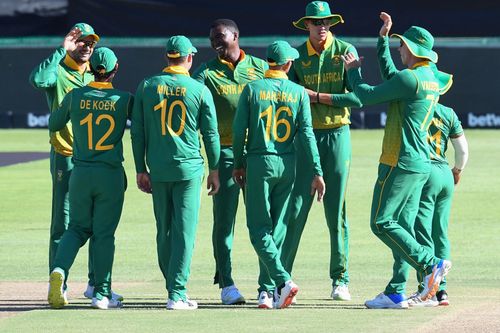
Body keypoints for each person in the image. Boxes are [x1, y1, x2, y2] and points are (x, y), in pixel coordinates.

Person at [341, 12, 452, 309]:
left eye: (401, 45)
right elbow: (394, 77)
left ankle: (430, 265)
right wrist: (382, 42)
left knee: (382, 222)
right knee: (402, 226)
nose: (399, 49)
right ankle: (396, 290)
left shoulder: (410, 78)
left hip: (398, 161)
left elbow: (364, 95)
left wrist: (352, 71)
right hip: (420, 163)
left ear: (413, 50)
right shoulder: (427, 78)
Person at [29, 23, 122, 303]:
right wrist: (62, 49)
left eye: (91, 43)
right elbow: (37, 80)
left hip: (93, 160)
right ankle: (59, 283)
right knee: (63, 222)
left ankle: (96, 283)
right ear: (72, 43)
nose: (87, 46)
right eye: (81, 41)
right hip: (66, 155)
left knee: (98, 223)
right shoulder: (58, 69)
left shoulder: (95, 75)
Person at [232, 41, 325, 309]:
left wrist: (238, 163)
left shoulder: (252, 89)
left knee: (259, 230)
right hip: (287, 164)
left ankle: (281, 281)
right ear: (287, 64)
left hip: (260, 162)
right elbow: (306, 135)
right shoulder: (298, 92)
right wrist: (317, 171)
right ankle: (267, 290)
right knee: (278, 229)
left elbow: (240, 132)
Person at [131, 36, 220, 310]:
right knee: (184, 232)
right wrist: (215, 169)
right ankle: (177, 292)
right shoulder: (199, 89)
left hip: (158, 168)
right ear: (189, 59)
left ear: (167, 58)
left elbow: (137, 132)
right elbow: (211, 135)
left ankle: (173, 288)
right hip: (189, 168)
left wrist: (140, 169)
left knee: (164, 230)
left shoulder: (147, 86)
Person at [281, 0, 362, 302]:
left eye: (327, 22)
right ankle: (282, 277)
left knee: (335, 210)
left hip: (338, 134)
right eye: (316, 22)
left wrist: (315, 97)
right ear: (307, 26)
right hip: (305, 137)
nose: (323, 26)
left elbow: (356, 98)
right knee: (297, 209)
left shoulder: (345, 51)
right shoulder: (296, 56)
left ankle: (340, 279)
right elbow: (288, 96)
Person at [47, 47, 132, 309]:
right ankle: (101, 293)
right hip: (109, 174)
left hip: (81, 172)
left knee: (76, 228)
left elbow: (54, 124)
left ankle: (59, 271)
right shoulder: (124, 98)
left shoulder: (75, 95)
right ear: (116, 69)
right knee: (104, 234)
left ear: (91, 69)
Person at [192, 18, 268, 305]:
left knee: (262, 221)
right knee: (224, 223)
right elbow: (188, 94)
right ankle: (226, 283)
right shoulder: (206, 73)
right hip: (224, 155)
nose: (215, 42)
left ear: (236, 35)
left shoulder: (260, 68)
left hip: (257, 154)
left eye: (220, 37)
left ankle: (267, 284)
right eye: (212, 38)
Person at [405, 64, 469, 308]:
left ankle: (429, 288)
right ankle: (443, 291)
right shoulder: (448, 113)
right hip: (445, 173)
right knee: (440, 231)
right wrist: (457, 171)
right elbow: (462, 150)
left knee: (422, 231)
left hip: (424, 172)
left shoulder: (414, 108)